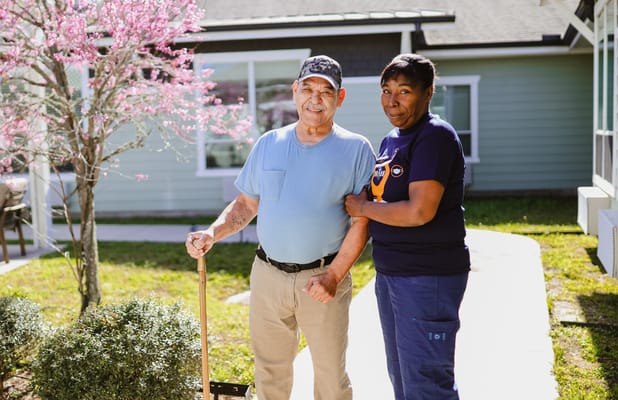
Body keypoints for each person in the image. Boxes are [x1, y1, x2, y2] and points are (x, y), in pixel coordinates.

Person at [186, 55, 375, 400]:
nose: (315, 99)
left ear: (340, 98)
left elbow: (362, 222)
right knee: (269, 374)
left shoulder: (356, 149)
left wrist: (334, 275)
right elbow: (246, 204)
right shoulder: (269, 144)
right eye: (308, 89)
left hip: (322, 278)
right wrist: (213, 232)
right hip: (267, 275)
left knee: (331, 378)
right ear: (294, 91)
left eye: (326, 92)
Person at [345, 53, 471, 400]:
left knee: (427, 383)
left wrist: (363, 207)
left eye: (404, 91)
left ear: (428, 93)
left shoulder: (434, 136)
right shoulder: (392, 140)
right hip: (393, 273)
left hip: (427, 277)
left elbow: (419, 211)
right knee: (403, 375)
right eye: (386, 91)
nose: (392, 100)